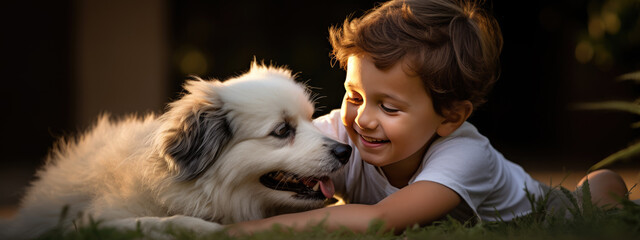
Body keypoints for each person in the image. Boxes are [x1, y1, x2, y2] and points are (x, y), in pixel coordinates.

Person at [229, 0, 628, 234]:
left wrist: (238, 234)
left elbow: (381, 219)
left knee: (597, 191)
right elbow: (277, 165)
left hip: (543, 213)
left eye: (388, 107)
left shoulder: (464, 153)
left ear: (450, 117)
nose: (363, 119)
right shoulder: (342, 133)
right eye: (355, 95)